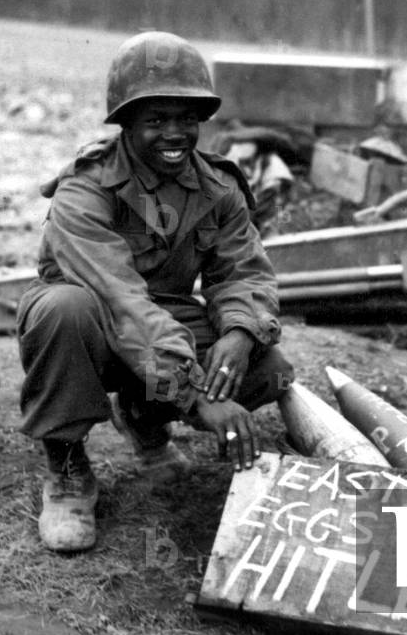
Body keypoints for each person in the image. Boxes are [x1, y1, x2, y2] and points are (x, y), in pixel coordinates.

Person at [17, 31, 292, 553]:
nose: (175, 133)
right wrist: (193, 392)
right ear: (124, 124)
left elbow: (244, 272)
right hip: (93, 320)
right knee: (63, 310)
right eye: (156, 120)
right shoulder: (85, 189)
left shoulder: (217, 188)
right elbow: (119, 297)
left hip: (160, 323)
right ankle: (69, 469)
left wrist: (238, 332)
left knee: (266, 369)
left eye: (186, 118)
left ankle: (143, 417)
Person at [220, 124, 296, 238]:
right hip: (250, 209)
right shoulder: (239, 160)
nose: (240, 147)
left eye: (245, 143)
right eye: (238, 143)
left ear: (256, 145)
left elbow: (275, 202)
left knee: (278, 219)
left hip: (274, 205)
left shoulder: (273, 166)